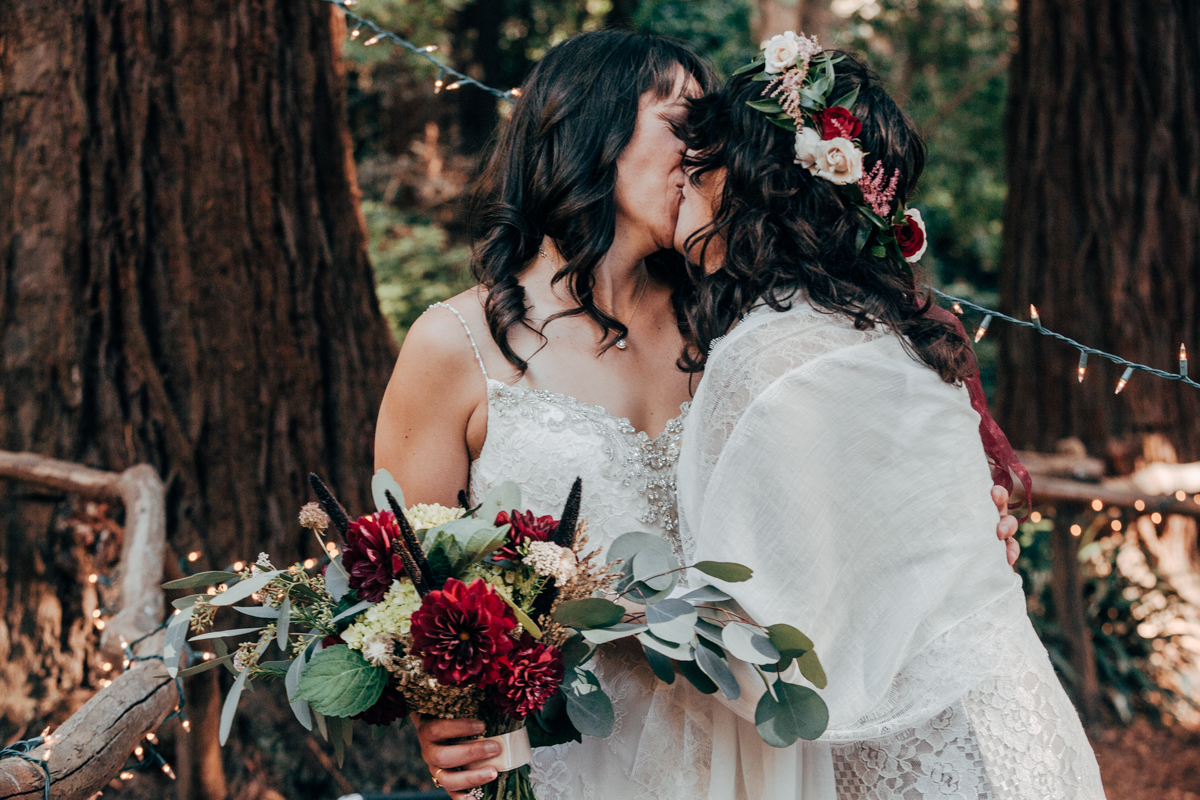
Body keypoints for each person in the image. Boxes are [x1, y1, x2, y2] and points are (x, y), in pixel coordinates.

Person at [378, 30, 1022, 800]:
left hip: (753, 754)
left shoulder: (735, 327)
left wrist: (963, 534)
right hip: (562, 761)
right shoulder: (454, 345)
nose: (701, 154)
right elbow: (405, 587)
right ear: (591, 125)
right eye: (682, 124)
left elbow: (852, 506)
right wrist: (436, 715)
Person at [668, 37, 1105, 797]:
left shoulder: (765, 354)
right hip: (1026, 728)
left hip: (922, 754)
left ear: (755, 185)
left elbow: (737, 612)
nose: (685, 181)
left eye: (703, 165)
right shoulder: (897, 337)